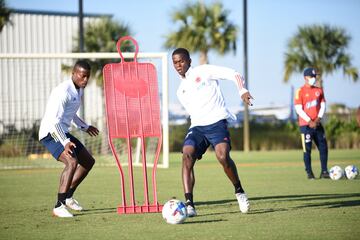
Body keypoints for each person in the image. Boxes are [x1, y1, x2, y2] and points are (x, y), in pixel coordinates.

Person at [171, 48, 253, 217]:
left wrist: (242, 90)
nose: (179, 65)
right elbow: (194, 113)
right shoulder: (180, 91)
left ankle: (239, 191)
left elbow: (234, 74)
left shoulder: (204, 71)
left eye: (182, 61)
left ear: (189, 61)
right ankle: (189, 205)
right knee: (187, 155)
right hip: (198, 127)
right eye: (175, 62)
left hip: (217, 122)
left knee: (222, 156)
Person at [39, 60, 99, 217]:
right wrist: (65, 142)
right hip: (50, 133)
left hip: (62, 132)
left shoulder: (78, 90)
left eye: (87, 77)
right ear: (73, 73)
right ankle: (59, 206)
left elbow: (71, 114)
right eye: (82, 76)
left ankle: (68, 196)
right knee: (72, 162)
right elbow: (54, 121)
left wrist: (85, 127)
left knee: (88, 161)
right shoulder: (63, 92)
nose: (85, 80)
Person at [294, 67, 329, 179]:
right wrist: (309, 121)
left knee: (323, 147)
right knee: (307, 150)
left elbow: (323, 105)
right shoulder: (300, 91)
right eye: (311, 77)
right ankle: (309, 173)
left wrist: (318, 119)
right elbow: (299, 109)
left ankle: (324, 171)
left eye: (315, 77)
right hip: (305, 126)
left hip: (317, 124)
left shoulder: (319, 90)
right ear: (305, 78)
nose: (314, 78)